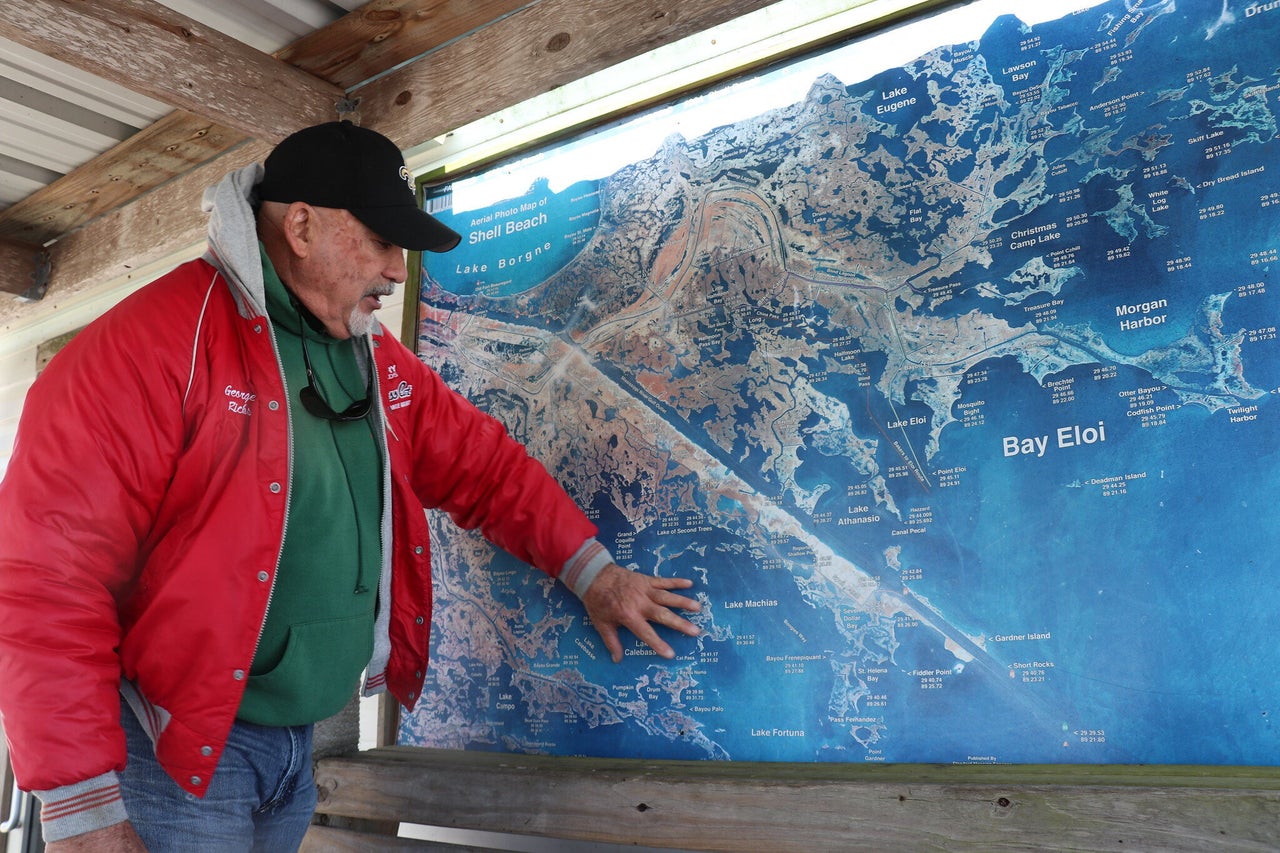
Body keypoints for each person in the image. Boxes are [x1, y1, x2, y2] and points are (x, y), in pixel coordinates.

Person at [0, 121, 702, 852]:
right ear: (301, 226)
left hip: (299, 752)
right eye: (382, 241)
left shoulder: (375, 360)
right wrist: (83, 813)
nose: (399, 270)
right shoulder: (145, 350)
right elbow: (45, 582)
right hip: (176, 756)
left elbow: (485, 468)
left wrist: (595, 575)